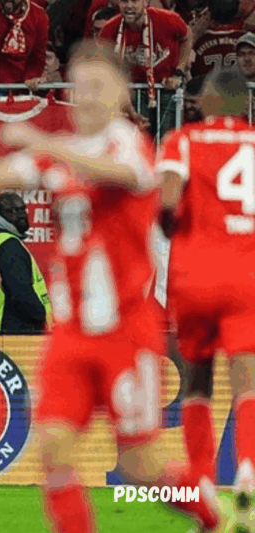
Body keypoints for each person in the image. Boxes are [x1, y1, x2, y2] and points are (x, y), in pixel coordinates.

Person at [0, 41, 227, 532]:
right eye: (78, 86)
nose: (87, 96)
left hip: (126, 330)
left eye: (98, 85)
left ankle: (213, 518)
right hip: (71, 336)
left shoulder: (127, 142)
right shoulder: (62, 153)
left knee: (141, 465)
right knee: (53, 449)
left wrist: (41, 141)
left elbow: (124, 175)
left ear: (122, 92)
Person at [158, 67, 255, 528]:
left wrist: (177, 234)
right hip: (247, 275)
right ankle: (249, 474)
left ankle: (201, 484)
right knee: (248, 384)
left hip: (196, 273)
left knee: (198, 382)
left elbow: (166, 204)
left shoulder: (185, 139)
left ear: (212, 101)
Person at [98, 0, 192, 138]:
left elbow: (187, 36)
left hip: (166, 86)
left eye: (135, 1)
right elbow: (104, 65)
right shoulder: (109, 29)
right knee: (141, 139)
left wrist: (179, 71)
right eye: (124, 1)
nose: (129, 6)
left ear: (146, 2)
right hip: (136, 88)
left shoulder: (167, 19)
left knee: (166, 138)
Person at [0, 192, 50, 333]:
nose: (21, 215)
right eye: (12, 211)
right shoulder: (9, 245)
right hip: (15, 330)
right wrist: (40, 315)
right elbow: (21, 293)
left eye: (22, 209)